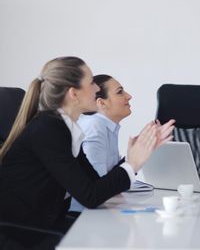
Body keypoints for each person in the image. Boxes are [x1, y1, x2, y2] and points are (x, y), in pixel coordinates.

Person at [0, 57, 174, 235]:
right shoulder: (48, 129)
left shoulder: (65, 128)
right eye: (91, 82)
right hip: (20, 232)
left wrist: (132, 158)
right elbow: (90, 197)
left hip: (45, 223)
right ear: (74, 93)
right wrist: (133, 164)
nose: (97, 88)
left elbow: (96, 186)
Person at [69, 74, 135, 212]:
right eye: (120, 92)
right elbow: (98, 187)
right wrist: (133, 162)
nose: (129, 96)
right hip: (82, 216)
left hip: (96, 209)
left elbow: (110, 177)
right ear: (101, 103)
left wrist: (132, 157)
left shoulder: (105, 126)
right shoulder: (95, 126)